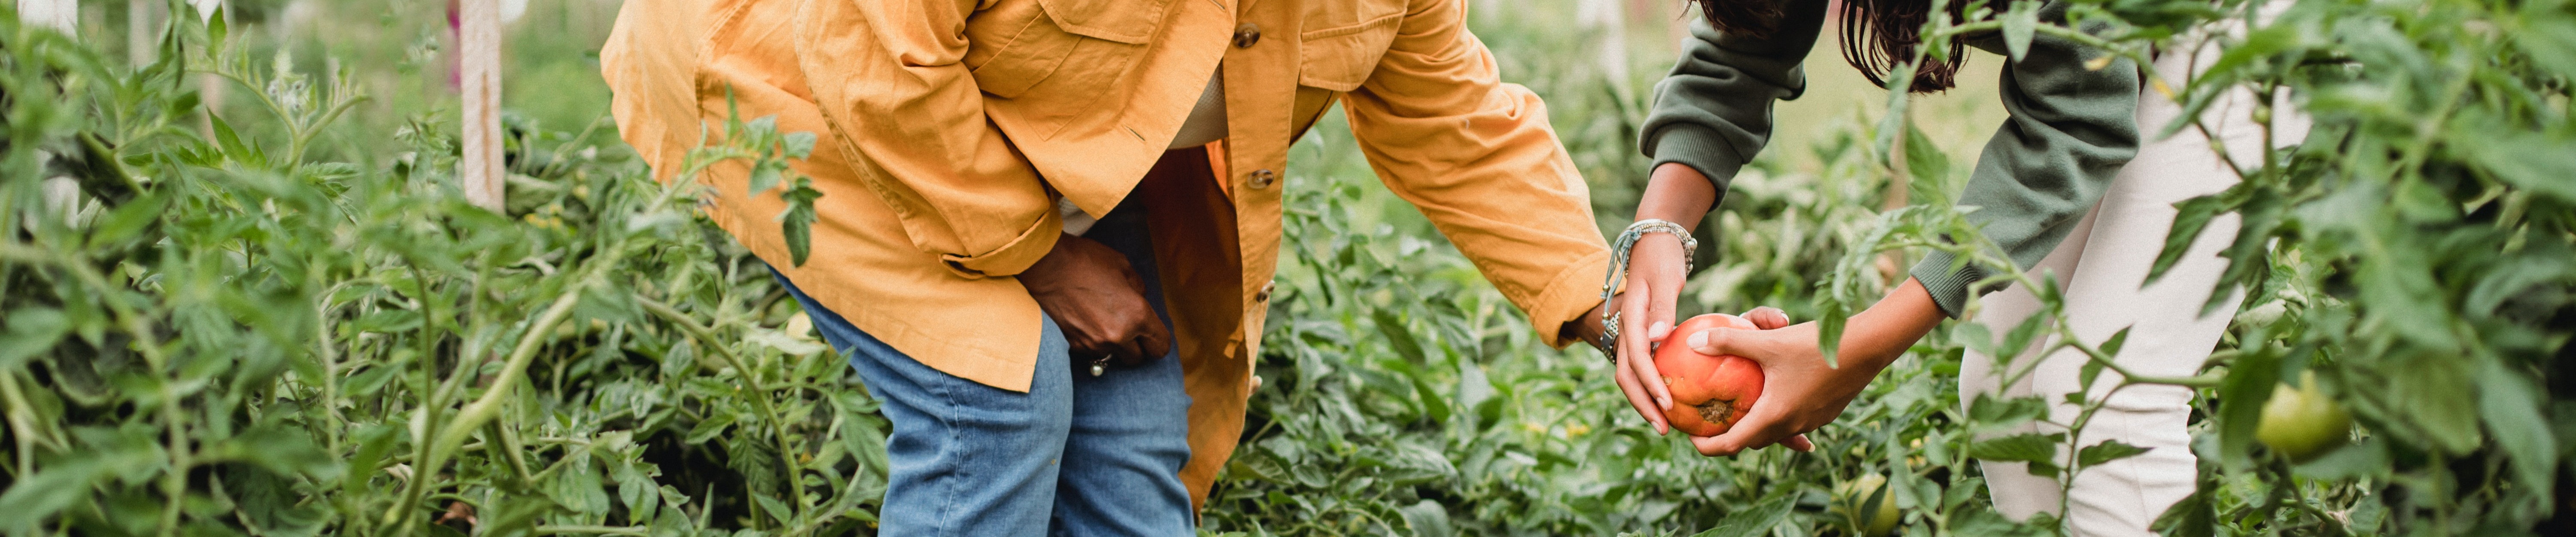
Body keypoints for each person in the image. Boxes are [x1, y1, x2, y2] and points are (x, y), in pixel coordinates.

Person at [601, 0, 1637, 533]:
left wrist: (1612, 311)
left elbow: (1454, 124)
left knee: (1139, 409)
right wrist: (1048, 261)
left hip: (1010, 118)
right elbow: (873, 58)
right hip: (796, 91)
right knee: (996, 398)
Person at [1607, 0, 2304, 534]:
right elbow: (1751, 36)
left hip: (2238, 27)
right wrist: (1661, 228)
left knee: (2106, 405)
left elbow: (2075, 118)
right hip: (2117, 42)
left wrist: (1864, 344)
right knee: (2007, 394)